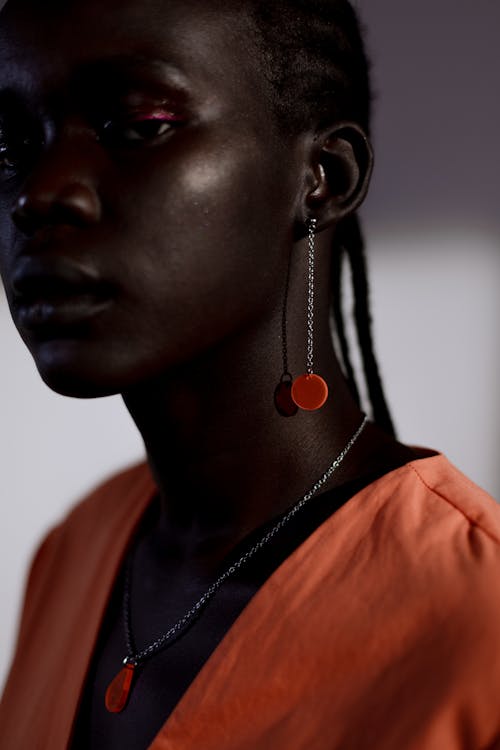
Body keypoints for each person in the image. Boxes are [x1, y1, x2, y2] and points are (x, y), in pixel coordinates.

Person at [0, 0, 499, 748]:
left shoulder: (476, 621)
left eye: (138, 127)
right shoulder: (76, 549)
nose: (39, 194)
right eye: (11, 145)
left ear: (323, 178)